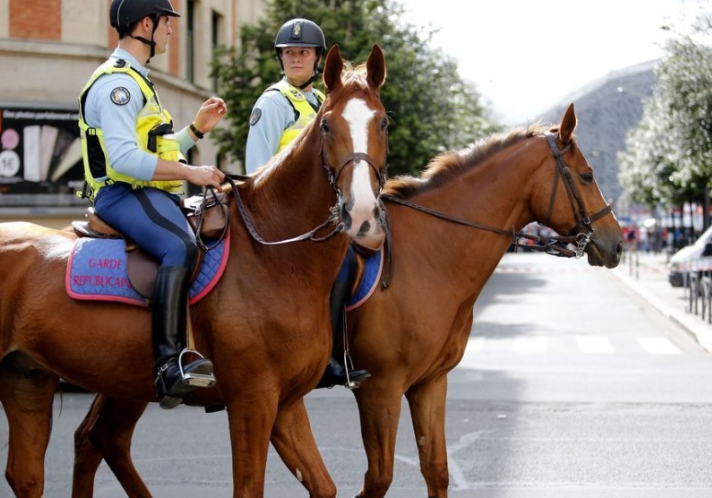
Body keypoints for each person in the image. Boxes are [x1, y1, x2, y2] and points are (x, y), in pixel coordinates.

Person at [78, 0, 227, 409]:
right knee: (178, 245)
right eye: (166, 23)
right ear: (146, 24)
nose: (170, 31)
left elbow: (156, 150)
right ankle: (168, 363)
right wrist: (192, 174)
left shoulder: (139, 81)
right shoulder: (118, 86)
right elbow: (125, 160)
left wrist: (196, 131)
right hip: (120, 194)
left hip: (144, 190)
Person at [245, 18, 370, 389]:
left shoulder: (325, 102)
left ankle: (336, 352)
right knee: (344, 263)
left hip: (323, 219)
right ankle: (325, 358)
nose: (295, 59)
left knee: (355, 260)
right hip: (284, 222)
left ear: (317, 59)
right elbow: (257, 169)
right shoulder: (272, 103)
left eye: (303, 53)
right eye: (288, 53)